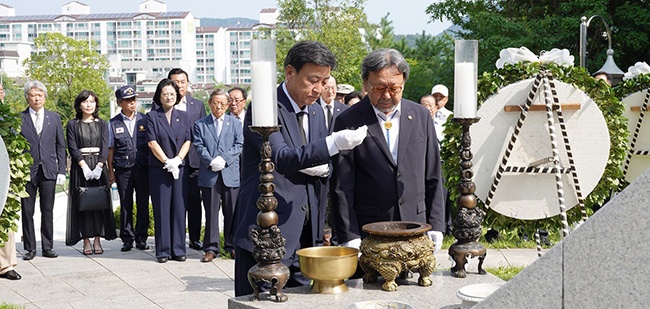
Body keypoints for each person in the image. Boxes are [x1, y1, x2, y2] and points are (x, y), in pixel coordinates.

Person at [233, 40, 368, 296]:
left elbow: (319, 163)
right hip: (268, 233)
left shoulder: (316, 112)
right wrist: (334, 143)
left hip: (307, 235)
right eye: (312, 80)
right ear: (290, 73)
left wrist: (325, 169)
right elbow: (281, 157)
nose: (318, 89)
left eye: (324, 81)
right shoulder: (266, 107)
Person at [330, 48, 446, 257]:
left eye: (394, 88)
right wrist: (350, 235)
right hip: (370, 231)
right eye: (378, 88)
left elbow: (434, 175)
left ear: (404, 83)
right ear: (365, 83)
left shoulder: (420, 116)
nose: (386, 95)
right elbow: (341, 186)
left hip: (415, 228)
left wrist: (437, 224)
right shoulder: (348, 120)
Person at [193, 88, 243, 262]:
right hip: (210, 174)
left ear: (228, 104)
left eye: (223, 103)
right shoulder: (200, 124)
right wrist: (210, 161)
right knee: (211, 213)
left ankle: (232, 245)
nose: (219, 106)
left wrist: (225, 159)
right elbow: (198, 146)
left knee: (232, 212)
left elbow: (239, 144)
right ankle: (211, 248)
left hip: (230, 173)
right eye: (216, 103)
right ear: (210, 104)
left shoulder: (235, 123)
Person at [65, 90, 117, 255]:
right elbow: (72, 146)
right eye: (85, 102)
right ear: (79, 104)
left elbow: (105, 146)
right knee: (83, 203)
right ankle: (86, 240)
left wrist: (100, 166)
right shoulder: (73, 124)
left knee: (98, 203)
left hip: (98, 166)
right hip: (81, 168)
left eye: (92, 102)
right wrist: (84, 166)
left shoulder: (102, 123)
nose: (89, 105)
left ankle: (97, 239)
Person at [19, 80, 66, 260]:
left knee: (47, 210)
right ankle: (30, 248)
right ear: (27, 98)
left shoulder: (53, 118)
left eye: (40, 95)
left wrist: (61, 170)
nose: (36, 98)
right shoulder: (20, 118)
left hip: (48, 170)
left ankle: (48, 247)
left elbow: (61, 145)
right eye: (33, 95)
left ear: (44, 97)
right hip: (27, 172)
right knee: (27, 211)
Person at [147, 78, 191, 263]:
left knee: (179, 208)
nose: (169, 97)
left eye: (172, 94)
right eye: (165, 93)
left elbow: (188, 140)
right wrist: (167, 161)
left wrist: (178, 159)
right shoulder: (151, 116)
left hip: (179, 168)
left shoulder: (184, 116)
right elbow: (151, 142)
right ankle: (163, 250)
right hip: (160, 168)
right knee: (162, 209)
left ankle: (179, 249)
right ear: (159, 95)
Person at [107, 85, 150, 252]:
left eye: (134, 100)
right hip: (123, 169)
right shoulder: (113, 123)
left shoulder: (144, 120)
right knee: (126, 204)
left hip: (142, 168)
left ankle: (141, 238)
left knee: (142, 204)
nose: (132, 103)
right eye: (128, 101)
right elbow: (111, 149)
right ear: (119, 103)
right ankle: (127, 238)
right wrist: (111, 171)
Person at [168, 68, 206, 251]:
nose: (179, 85)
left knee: (194, 201)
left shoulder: (197, 105)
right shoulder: (165, 104)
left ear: (187, 83)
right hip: (172, 161)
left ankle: (195, 238)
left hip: (194, 161)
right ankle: (176, 238)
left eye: (182, 81)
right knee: (175, 201)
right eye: (175, 82)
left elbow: (203, 131)